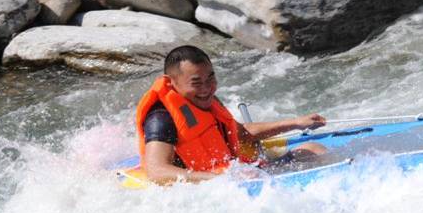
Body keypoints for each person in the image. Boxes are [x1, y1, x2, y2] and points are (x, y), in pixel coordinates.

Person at [136, 45, 327, 184]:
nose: (206, 89)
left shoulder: (208, 100)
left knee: (314, 149)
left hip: (237, 173)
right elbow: (157, 171)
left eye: (210, 78)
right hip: (210, 186)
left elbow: (242, 133)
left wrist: (296, 123)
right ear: (172, 83)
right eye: (196, 83)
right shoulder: (161, 118)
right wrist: (221, 179)